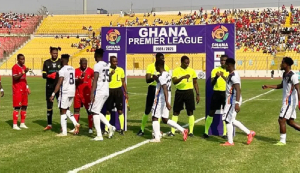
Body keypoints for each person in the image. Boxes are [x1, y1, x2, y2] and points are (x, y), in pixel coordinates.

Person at [262, 57, 300, 145]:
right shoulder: (285, 74)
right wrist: (269, 86)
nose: (281, 64)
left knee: (281, 120)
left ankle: (282, 141)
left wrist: (299, 101)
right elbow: (281, 85)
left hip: (289, 101)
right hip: (287, 101)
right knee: (290, 122)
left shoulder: (292, 75)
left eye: (282, 63)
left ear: (286, 64)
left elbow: (298, 88)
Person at [151, 60, 188, 142]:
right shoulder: (167, 74)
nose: (155, 68)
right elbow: (163, 83)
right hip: (166, 99)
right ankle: (183, 130)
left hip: (161, 99)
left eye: (155, 66)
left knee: (154, 117)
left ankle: (157, 138)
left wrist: (167, 102)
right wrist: (156, 79)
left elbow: (164, 88)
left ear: (158, 66)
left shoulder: (161, 76)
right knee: (164, 119)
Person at [221, 58, 256, 146]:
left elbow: (238, 89)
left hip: (232, 100)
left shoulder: (234, 76)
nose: (224, 66)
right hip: (230, 99)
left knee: (228, 120)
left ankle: (230, 141)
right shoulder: (231, 74)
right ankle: (249, 133)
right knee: (230, 120)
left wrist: (236, 103)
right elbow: (231, 85)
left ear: (229, 65)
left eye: (226, 65)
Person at [137, 53, 169, 136]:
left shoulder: (166, 67)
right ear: (157, 58)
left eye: (163, 58)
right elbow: (147, 80)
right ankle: (142, 129)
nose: (163, 59)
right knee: (147, 110)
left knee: (158, 112)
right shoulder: (150, 66)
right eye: (161, 58)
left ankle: (156, 132)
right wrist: (153, 78)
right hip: (152, 89)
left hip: (160, 91)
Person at [49, 54, 80, 136]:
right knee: (66, 109)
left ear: (62, 60)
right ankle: (76, 124)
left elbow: (60, 82)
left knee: (62, 111)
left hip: (65, 92)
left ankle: (64, 132)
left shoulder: (62, 70)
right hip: (72, 91)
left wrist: (53, 94)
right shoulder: (72, 68)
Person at [169, 56, 200, 137]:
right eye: (186, 62)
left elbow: (195, 83)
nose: (187, 64)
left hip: (189, 92)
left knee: (190, 112)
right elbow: (174, 82)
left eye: (188, 62)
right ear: (181, 62)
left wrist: (197, 94)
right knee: (176, 112)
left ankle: (191, 132)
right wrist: (182, 77)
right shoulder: (176, 70)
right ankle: (172, 131)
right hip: (179, 92)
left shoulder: (192, 71)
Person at [89, 48, 116, 141]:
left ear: (96, 55)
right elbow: (108, 78)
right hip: (106, 90)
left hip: (100, 91)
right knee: (96, 111)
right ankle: (109, 126)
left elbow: (95, 79)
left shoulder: (97, 65)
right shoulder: (106, 64)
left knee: (95, 112)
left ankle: (99, 135)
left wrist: (92, 93)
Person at [203, 55, 228, 138]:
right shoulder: (215, 70)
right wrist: (217, 77)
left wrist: (223, 76)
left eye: (224, 60)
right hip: (216, 93)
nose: (222, 62)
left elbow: (230, 83)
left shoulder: (229, 71)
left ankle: (224, 133)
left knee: (226, 113)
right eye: (221, 60)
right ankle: (206, 132)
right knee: (211, 112)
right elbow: (212, 83)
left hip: (226, 94)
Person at [105, 56, 128, 135]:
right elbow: (106, 80)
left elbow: (123, 82)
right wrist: (110, 74)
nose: (115, 63)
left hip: (118, 91)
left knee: (120, 110)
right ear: (110, 62)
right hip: (109, 90)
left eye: (116, 61)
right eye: (114, 62)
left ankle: (121, 129)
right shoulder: (107, 70)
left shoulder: (121, 70)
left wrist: (126, 92)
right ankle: (106, 129)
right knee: (108, 111)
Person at [70, 58, 94, 134]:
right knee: (76, 111)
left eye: (85, 63)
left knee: (89, 111)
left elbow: (95, 80)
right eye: (82, 63)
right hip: (77, 93)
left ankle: (90, 128)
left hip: (87, 94)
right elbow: (72, 81)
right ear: (79, 63)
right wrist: (79, 78)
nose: (84, 65)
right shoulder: (76, 71)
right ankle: (76, 128)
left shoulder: (90, 71)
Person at [42, 47, 62, 130]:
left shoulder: (61, 62)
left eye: (56, 53)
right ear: (50, 53)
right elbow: (43, 75)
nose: (55, 54)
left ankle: (62, 125)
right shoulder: (46, 62)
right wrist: (49, 76)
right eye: (54, 53)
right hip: (49, 87)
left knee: (61, 106)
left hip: (59, 87)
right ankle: (49, 124)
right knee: (49, 106)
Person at [12, 54, 30, 130]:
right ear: (18, 59)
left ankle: (22, 123)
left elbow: (24, 79)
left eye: (24, 59)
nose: (23, 60)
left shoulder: (24, 67)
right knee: (17, 107)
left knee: (24, 106)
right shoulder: (15, 67)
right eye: (21, 59)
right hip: (17, 90)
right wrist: (23, 72)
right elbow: (15, 78)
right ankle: (15, 125)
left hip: (24, 89)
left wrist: (27, 87)